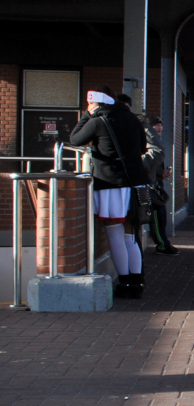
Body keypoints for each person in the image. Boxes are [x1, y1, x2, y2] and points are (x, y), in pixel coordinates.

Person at [68, 86, 151, 299]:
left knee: (114, 234)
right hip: (135, 183)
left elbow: (75, 140)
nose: (89, 107)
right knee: (131, 235)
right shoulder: (133, 119)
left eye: (90, 104)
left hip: (110, 183)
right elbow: (142, 148)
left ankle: (124, 282)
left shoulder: (97, 121)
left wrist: (86, 115)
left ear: (97, 103)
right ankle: (137, 282)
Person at [143, 115, 178, 255]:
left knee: (161, 214)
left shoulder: (155, 140)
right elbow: (148, 161)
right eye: (156, 125)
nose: (159, 127)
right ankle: (162, 244)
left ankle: (163, 242)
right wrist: (159, 173)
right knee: (157, 214)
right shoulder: (147, 140)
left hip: (156, 182)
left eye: (160, 125)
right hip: (151, 183)